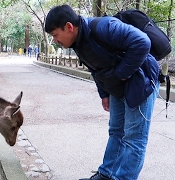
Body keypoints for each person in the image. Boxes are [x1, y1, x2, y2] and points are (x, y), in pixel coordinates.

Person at [45, 4, 160, 180]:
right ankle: (106, 175)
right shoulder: (78, 42)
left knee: (134, 139)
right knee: (116, 132)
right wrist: (104, 94)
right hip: (117, 88)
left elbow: (142, 42)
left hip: (140, 82)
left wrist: (121, 75)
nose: (55, 40)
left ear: (69, 27)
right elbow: (95, 68)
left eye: (55, 35)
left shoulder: (104, 27)